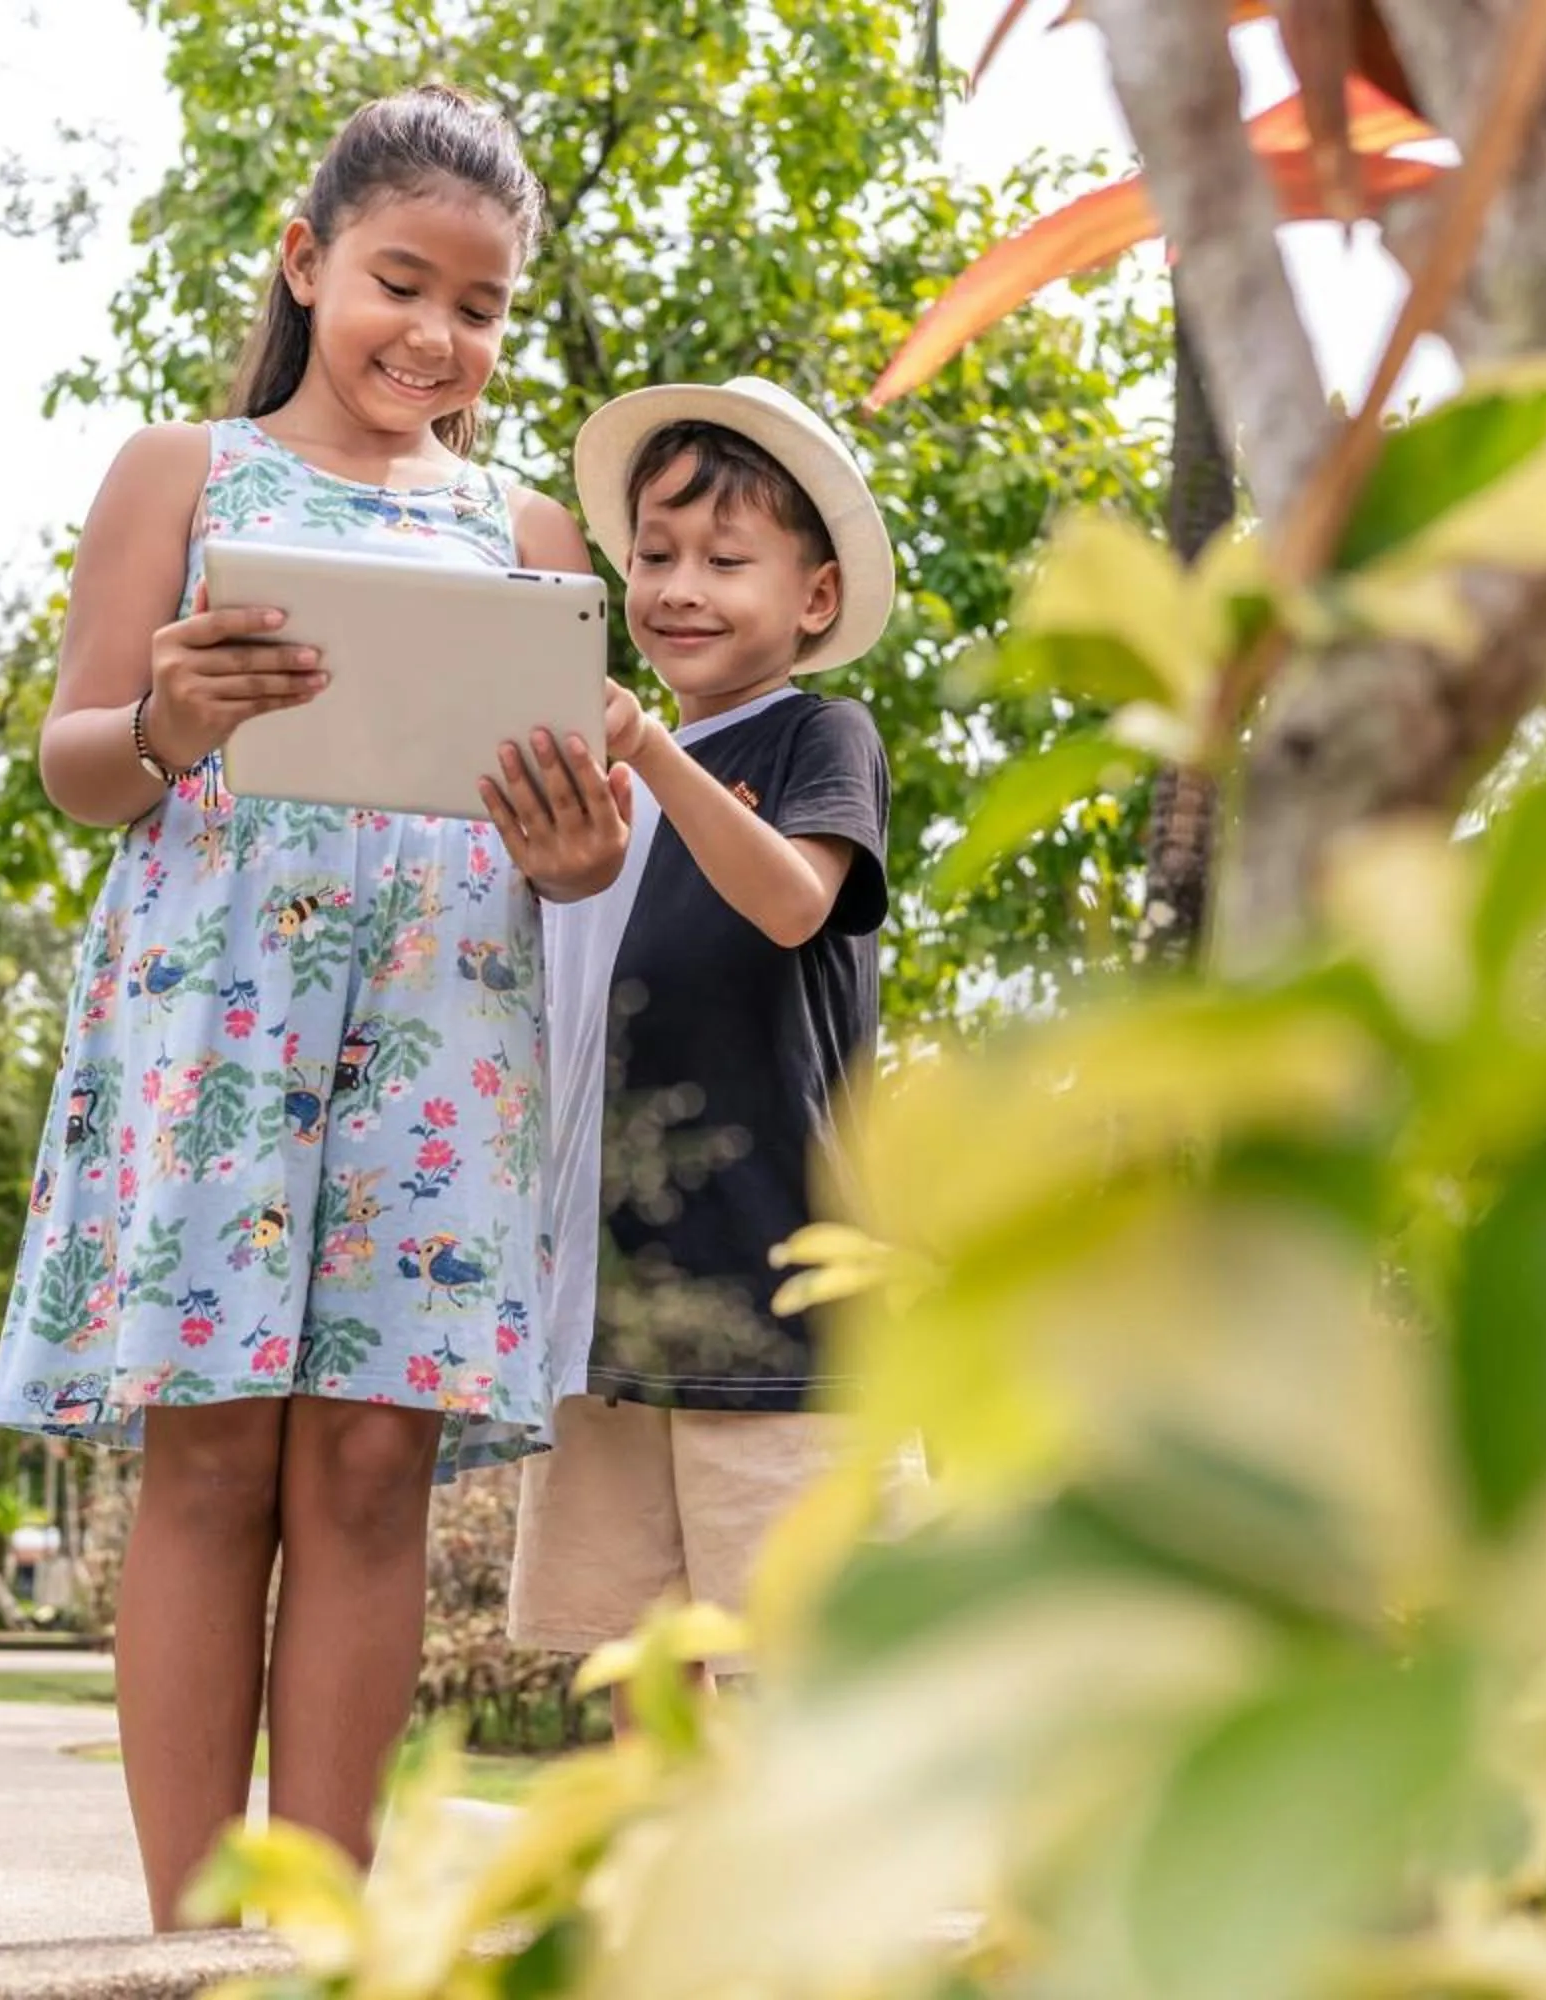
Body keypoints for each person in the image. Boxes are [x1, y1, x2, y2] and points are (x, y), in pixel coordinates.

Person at [0, 84, 629, 1927]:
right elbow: (79, 768)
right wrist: (172, 722)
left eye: (481, 307)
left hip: (446, 1026)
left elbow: (573, 863)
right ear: (306, 260)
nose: (436, 336)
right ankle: (190, 1941)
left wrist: (577, 852)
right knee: (208, 1447)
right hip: (217, 1015)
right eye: (399, 283)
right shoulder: (178, 473)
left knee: (367, 1464)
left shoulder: (530, 531)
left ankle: (322, 1939)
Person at [508, 377, 899, 1724]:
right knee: (640, 1662)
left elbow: (795, 896)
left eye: (726, 561)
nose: (679, 587)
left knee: (790, 1667)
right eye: (657, 558)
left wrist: (659, 762)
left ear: (813, 597)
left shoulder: (816, 736)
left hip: (773, 1295)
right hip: (618, 1307)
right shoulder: (607, 790)